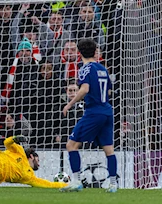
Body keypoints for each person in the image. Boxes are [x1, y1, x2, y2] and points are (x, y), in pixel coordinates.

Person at [60, 39, 117, 193]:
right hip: (107, 110)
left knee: (71, 145)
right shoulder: (103, 69)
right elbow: (109, 91)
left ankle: (76, 181)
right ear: (94, 51)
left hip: (94, 112)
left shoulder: (85, 69)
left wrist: (70, 104)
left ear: (79, 53)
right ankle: (113, 184)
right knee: (109, 149)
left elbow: (85, 89)